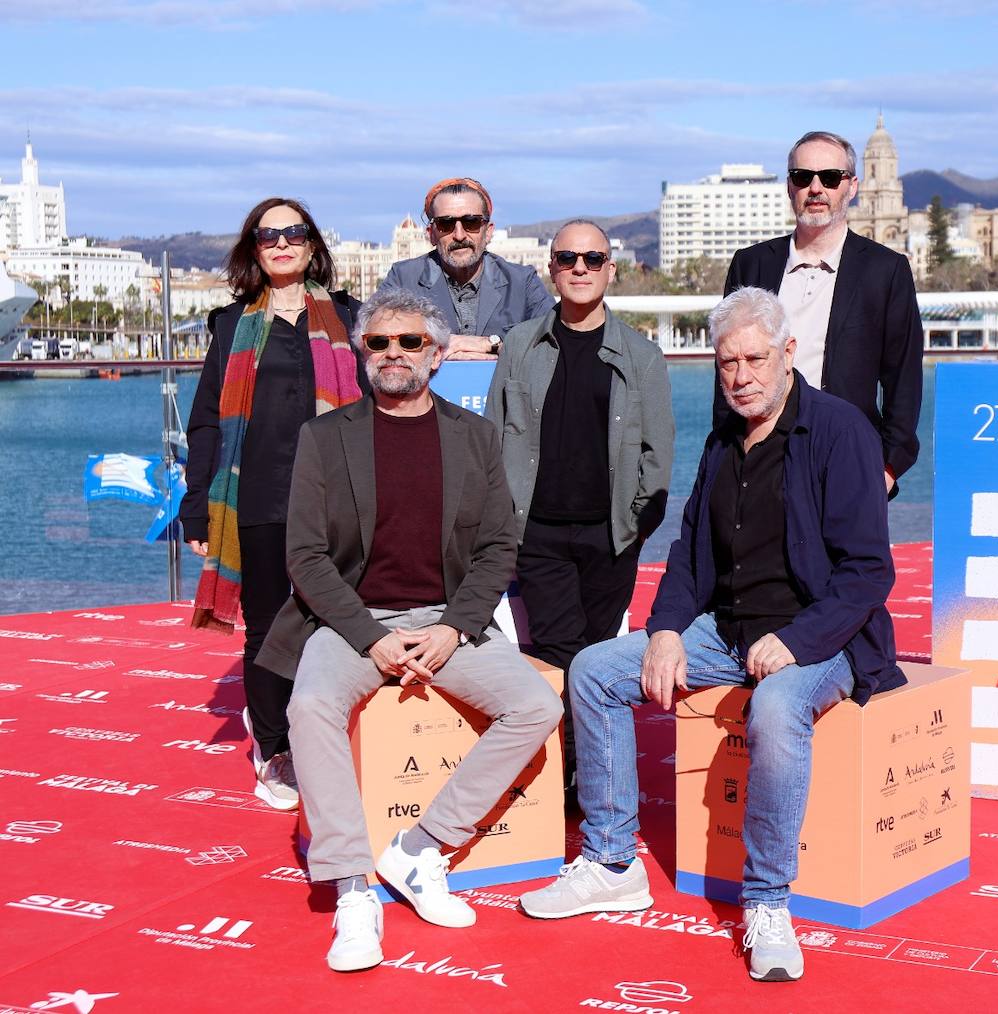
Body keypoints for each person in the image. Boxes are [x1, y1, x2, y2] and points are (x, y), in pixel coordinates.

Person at [519, 287, 902, 983]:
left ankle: (767, 902)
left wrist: (797, 641)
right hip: (726, 633)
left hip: (824, 640)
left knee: (779, 705)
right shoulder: (725, 439)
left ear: (787, 355)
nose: (740, 376)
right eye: (728, 363)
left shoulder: (841, 431)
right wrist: (665, 631)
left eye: (755, 358)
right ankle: (611, 861)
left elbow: (870, 572)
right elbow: (693, 549)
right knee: (597, 670)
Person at [254, 287, 563, 972]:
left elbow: (496, 550)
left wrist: (455, 629)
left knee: (538, 704)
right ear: (363, 354)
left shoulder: (475, 437)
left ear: (439, 353)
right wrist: (370, 637)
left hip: (446, 621)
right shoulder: (324, 437)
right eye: (379, 343)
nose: (394, 355)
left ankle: (422, 851)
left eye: (410, 342)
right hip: (353, 620)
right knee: (309, 707)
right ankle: (354, 888)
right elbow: (304, 556)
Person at [182, 197, 367, 811]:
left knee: (335, 620)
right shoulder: (231, 324)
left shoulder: (351, 318)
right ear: (254, 249)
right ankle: (273, 744)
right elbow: (207, 421)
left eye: (294, 233)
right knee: (266, 627)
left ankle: (332, 730)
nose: (282, 243)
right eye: (269, 235)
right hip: (256, 495)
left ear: (313, 243)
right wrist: (196, 503)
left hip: (335, 499)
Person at [484, 219, 673, 789]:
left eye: (593, 259)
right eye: (568, 259)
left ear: (610, 270)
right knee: (565, 655)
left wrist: (637, 525)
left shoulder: (641, 355)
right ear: (553, 270)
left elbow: (657, 454)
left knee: (596, 659)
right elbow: (496, 436)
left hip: (610, 535)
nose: (581, 269)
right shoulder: (520, 346)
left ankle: (595, 774)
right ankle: (579, 777)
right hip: (538, 535)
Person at [722, 130, 924, 494]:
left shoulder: (886, 270)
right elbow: (726, 369)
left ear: (852, 186)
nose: (816, 188)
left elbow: (904, 382)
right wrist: (727, 462)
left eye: (830, 178)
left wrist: (886, 470)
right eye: (803, 177)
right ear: (789, 187)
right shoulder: (749, 265)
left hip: (850, 466)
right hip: (760, 466)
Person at [379, 177, 554, 360]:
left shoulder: (522, 282)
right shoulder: (403, 279)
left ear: (488, 232)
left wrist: (491, 344)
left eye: (471, 222)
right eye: (446, 224)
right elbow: (374, 339)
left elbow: (554, 340)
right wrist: (440, 343)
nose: (459, 235)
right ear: (431, 235)